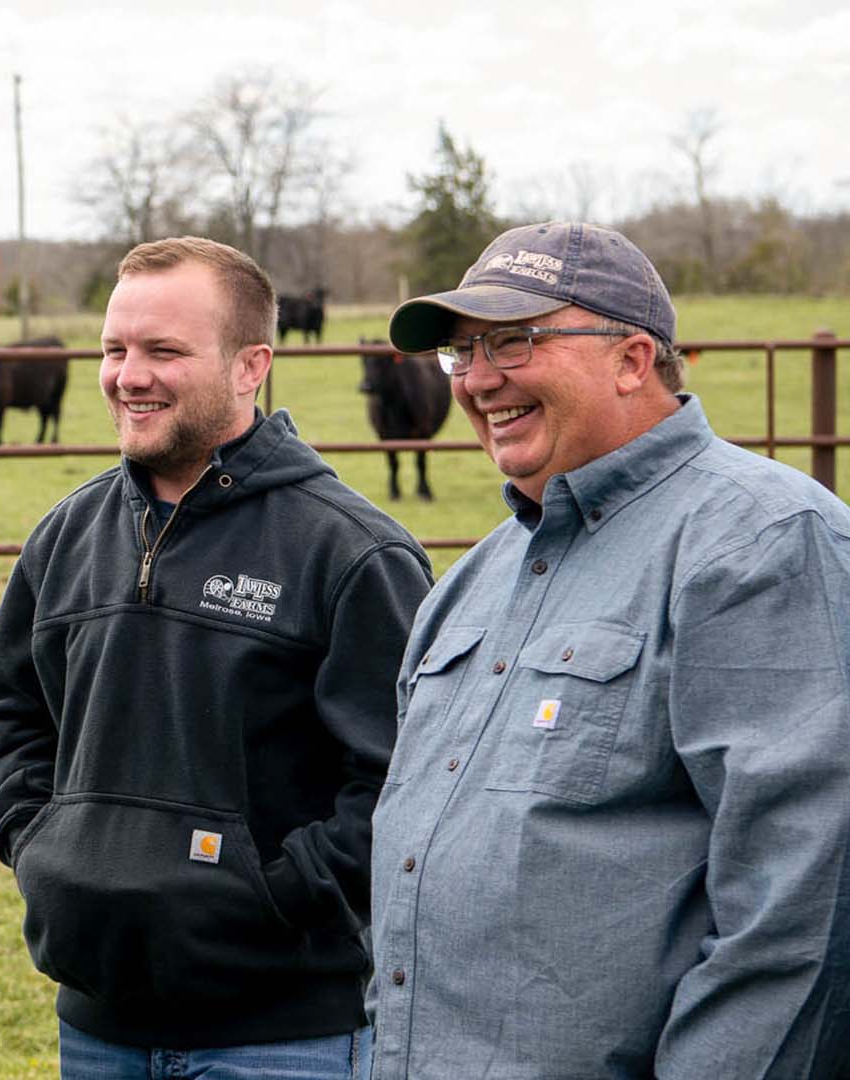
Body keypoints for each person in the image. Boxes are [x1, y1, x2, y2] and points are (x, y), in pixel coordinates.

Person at [369, 221, 850, 1079]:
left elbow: (806, 908)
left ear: (632, 359)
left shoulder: (761, 545)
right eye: (463, 351)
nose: (478, 380)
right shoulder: (472, 581)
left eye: (513, 341)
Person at [0, 236, 433, 1079]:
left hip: (285, 1036)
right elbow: (9, 718)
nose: (128, 375)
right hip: (97, 1027)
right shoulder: (67, 537)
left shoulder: (352, 554)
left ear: (251, 364)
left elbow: (404, 781)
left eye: (164, 351)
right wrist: (46, 845)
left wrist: (272, 898)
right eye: (115, 349)